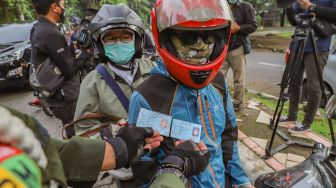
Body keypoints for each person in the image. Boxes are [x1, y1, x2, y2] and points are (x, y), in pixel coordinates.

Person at [128, 0, 253, 187]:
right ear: (166, 38)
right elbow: (144, 169)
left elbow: (228, 136)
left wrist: (241, 181)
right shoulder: (147, 97)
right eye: (188, 37)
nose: (201, 46)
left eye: (210, 36)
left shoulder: (218, 82)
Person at [0, 106, 209, 188]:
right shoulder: (93, 80)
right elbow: (83, 127)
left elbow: (49, 151)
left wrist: (118, 149)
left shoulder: (11, 128)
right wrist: (173, 169)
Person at [73, 4, 156, 138]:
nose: (119, 43)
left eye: (126, 37)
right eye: (111, 38)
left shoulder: (153, 69)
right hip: (123, 155)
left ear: (137, 40)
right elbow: (85, 132)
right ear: (100, 44)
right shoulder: (92, 83)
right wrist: (118, 135)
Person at [30, 0, 91, 137]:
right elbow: (69, 70)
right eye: (62, 6)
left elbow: (54, 57)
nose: (64, 9)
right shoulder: (50, 33)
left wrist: (73, 47)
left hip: (55, 97)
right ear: (54, 8)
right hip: (65, 98)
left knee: (69, 127)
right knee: (76, 132)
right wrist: (86, 53)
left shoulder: (37, 28)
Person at [281, 0, 336, 133]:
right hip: (299, 42)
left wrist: (311, 6)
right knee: (294, 82)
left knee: (313, 86)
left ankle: (307, 122)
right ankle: (291, 116)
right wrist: (287, 7)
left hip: (318, 47)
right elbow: (295, 21)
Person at [221, 0, 257, 115]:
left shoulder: (246, 7)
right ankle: (219, 102)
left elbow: (253, 26)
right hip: (222, 47)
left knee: (239, 79)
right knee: (219, 77)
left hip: (237, 47)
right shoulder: (221, 5)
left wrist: (239, 28)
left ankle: (238, 104)